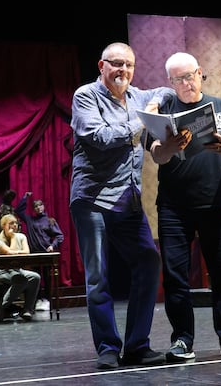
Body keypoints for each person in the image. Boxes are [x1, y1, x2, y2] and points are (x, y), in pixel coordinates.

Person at [69, 41, 174, 370]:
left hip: (127, 199)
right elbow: (99, 138)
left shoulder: (140, 97)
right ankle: (108, 348)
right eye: (116, 64)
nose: (123, 71)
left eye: (129, 65)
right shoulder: (85, 95)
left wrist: (154, 103)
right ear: (102, 66)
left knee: (148, 261)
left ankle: (137, 346)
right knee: (98, 276)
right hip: (93, 200)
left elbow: (166, 93)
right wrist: (143, 122)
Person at [147, 51, 221, 361]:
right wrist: (168, 146)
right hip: (173, 208)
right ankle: (182, 340)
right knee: (176, 276)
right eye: (178, 79)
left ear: (200, 73)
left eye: (189, 75)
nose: (185, 83)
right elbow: (155, 155)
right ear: (170, 82)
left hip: (214, 203)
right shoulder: (164, 112)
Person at [17, 192, 64, 312]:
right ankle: (38, 300)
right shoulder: (30, 220)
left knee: (48, 278)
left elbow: (60, 236)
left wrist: (53, 246)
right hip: (35, 254)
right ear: (33, 209)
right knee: (36, 278)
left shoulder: (49, 221)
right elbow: (18, 211)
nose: (38, 208)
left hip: (46, 254)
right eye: (36, 206)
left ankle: (48, 300)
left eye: (40, 205)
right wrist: (25, 198)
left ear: (43, 206)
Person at [0, 213, 41, 322]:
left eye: (16, 223)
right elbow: (11, 255)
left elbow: (26, 252)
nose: (14, 226)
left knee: (35, 277)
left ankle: (27, 309)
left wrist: (16, 250)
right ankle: (1, 306)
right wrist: (13, 237)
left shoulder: (22, 236)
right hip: (0, 271)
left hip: (16, 270)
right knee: (20, 280)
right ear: (3, 226)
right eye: (11, 223)